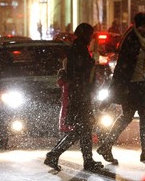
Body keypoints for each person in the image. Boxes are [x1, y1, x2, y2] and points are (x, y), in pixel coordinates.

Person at [97, 13, 145, 164]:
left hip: (139, 84)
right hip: (133, 85)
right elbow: (123, 67)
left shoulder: (143, 40)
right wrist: (122, 88)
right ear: (138, 26)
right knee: (144, 117)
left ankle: (107, 146)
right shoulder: (132, 41)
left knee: (129, 116)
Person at [44, 23, 104, 172]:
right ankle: (54, 154)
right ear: (85, 35)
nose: (91, 39)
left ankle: (87, 160)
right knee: (81, 129)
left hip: (81, 95)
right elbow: (78, 75)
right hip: (80, 96)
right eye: (90, 35)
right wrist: (86, 90)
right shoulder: (78, 50)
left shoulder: (80, 49)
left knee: (84, 128)